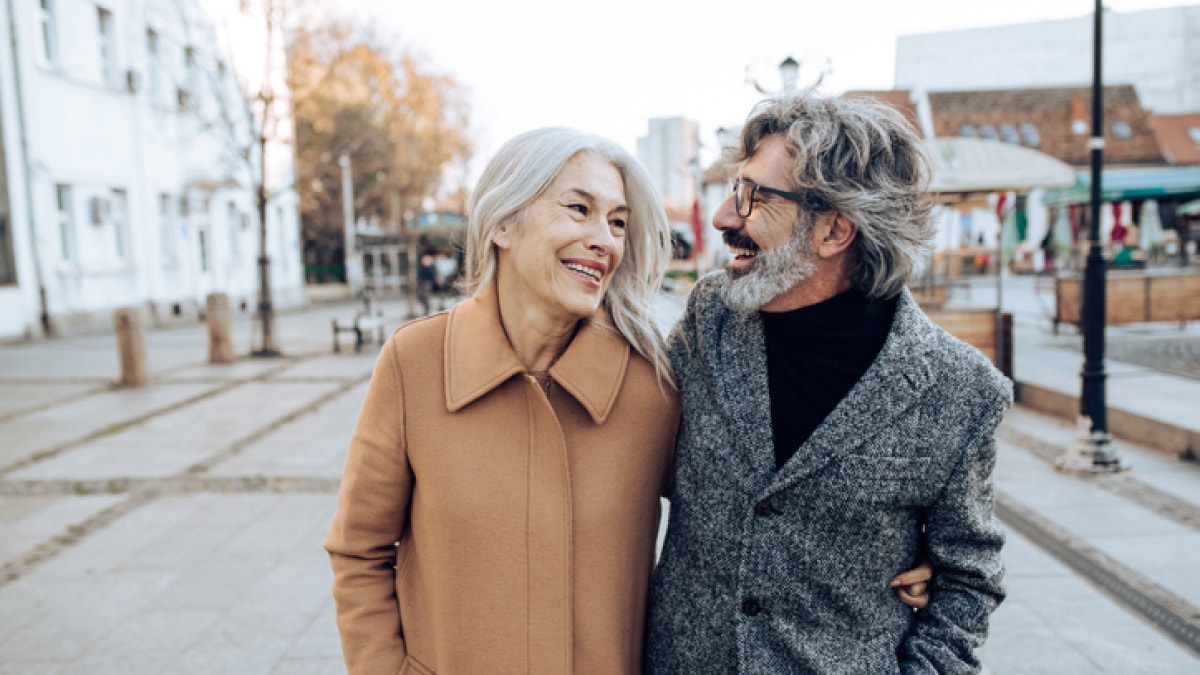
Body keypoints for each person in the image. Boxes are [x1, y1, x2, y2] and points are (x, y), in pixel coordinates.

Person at [325, 126, 931, 675]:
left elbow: (748, 508)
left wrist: (890, 555)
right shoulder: (416, 361)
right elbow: (358, 551)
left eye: (617, 222)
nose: (603, 241)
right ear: (503, 224)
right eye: (579, 210)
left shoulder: (653, 382)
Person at [646, 94, 1010, 674]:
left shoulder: (958, 389)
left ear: (835, 230)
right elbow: (634, 444)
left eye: (752, 196)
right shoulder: (711, 315)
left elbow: (969, 578)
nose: (722, 217)